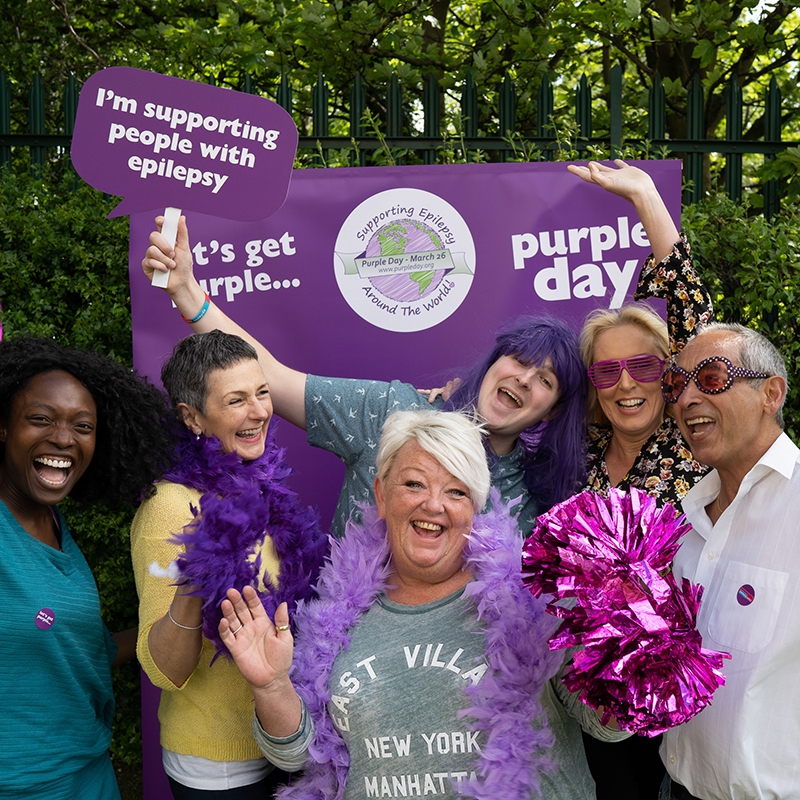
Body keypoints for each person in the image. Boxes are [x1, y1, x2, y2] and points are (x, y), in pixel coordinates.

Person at [218, 409, 629, 800]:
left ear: (476, 509)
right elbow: (298, 754)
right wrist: (271, 686)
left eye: (456, 491)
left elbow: (606, 725)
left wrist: (632, 646)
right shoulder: (336, 612)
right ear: (381, 494)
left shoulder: (534, 597)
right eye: (414, 484)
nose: (433, 505)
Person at [141, 223, 587, 536]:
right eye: (518, 360)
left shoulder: (537, 498)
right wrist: (187, 292)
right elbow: (272, 378)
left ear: (553, 409)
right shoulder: (392, 412)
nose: (525, 379)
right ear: (493, 363)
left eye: (546, 380)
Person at [562, 160, 713, 800]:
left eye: (642, 365)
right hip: (594, 690)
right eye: (606, 371)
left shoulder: (693, 439)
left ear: (668, 373)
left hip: (682, 680)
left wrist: (646, 198)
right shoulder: (582, 452)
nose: (626, 383)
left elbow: (699, 326)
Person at [130, 330, 328, 799]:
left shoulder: (260, 484)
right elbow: (164, 671)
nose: (259, 411)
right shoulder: (170, 506)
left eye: (262, 393)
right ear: (193, 417)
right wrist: (197, 577)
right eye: (236, 400)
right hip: (221, 765)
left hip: (284, 742)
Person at [0, 337, 172, 800]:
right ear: (3, 427)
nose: (63, 438)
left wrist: (180, 622)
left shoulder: (52, 522)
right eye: (40, 419)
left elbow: (81, 648)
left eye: (83, 425)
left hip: (90, 774)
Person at [656, 321, 799, 800]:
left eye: (711, 377)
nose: (686, 398)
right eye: (676, 384)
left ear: (771, 394)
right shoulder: (686, 521)